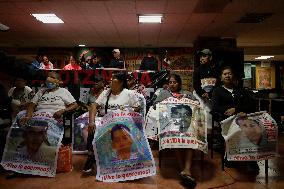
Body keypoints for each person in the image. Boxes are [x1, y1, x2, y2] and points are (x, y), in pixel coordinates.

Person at [84, 72, 140, 172]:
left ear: (121, 82)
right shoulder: (106, 92)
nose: (110, 80)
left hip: (122, 122)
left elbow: (137, 108)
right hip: (104, 120)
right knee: (92, 128)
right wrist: (91, 122)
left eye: (113, 79)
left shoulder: (129, 93)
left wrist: (126, 111)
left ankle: (121, 160)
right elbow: (94, 106)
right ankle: (91, 157)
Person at [153, 74, 197, 187]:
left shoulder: (187, 93)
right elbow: (155, 104)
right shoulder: (163, 93)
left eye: (175, 82)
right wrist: (169, 100)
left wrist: (185, 99)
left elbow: (197, 103)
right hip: (170, 124)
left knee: (191, 136)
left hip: (186, 123)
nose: (172, 84)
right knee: (173, 136)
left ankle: (186, 169)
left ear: (179, 83)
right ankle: (183, 168)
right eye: (170, 82)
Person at [211, 66, 258, 172]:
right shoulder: (217, 91)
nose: (227, 75)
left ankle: (252, 159)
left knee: (255, 129)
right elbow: (215, 107)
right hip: (226, 118)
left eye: (229, 73)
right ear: (221, 77)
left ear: (233, 76)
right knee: (239, 129)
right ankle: (231, 157)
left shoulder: (240, 90)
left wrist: (236, 109)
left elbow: (250, 105)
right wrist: (231, 111)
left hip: (242, 117)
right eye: (225, 74)